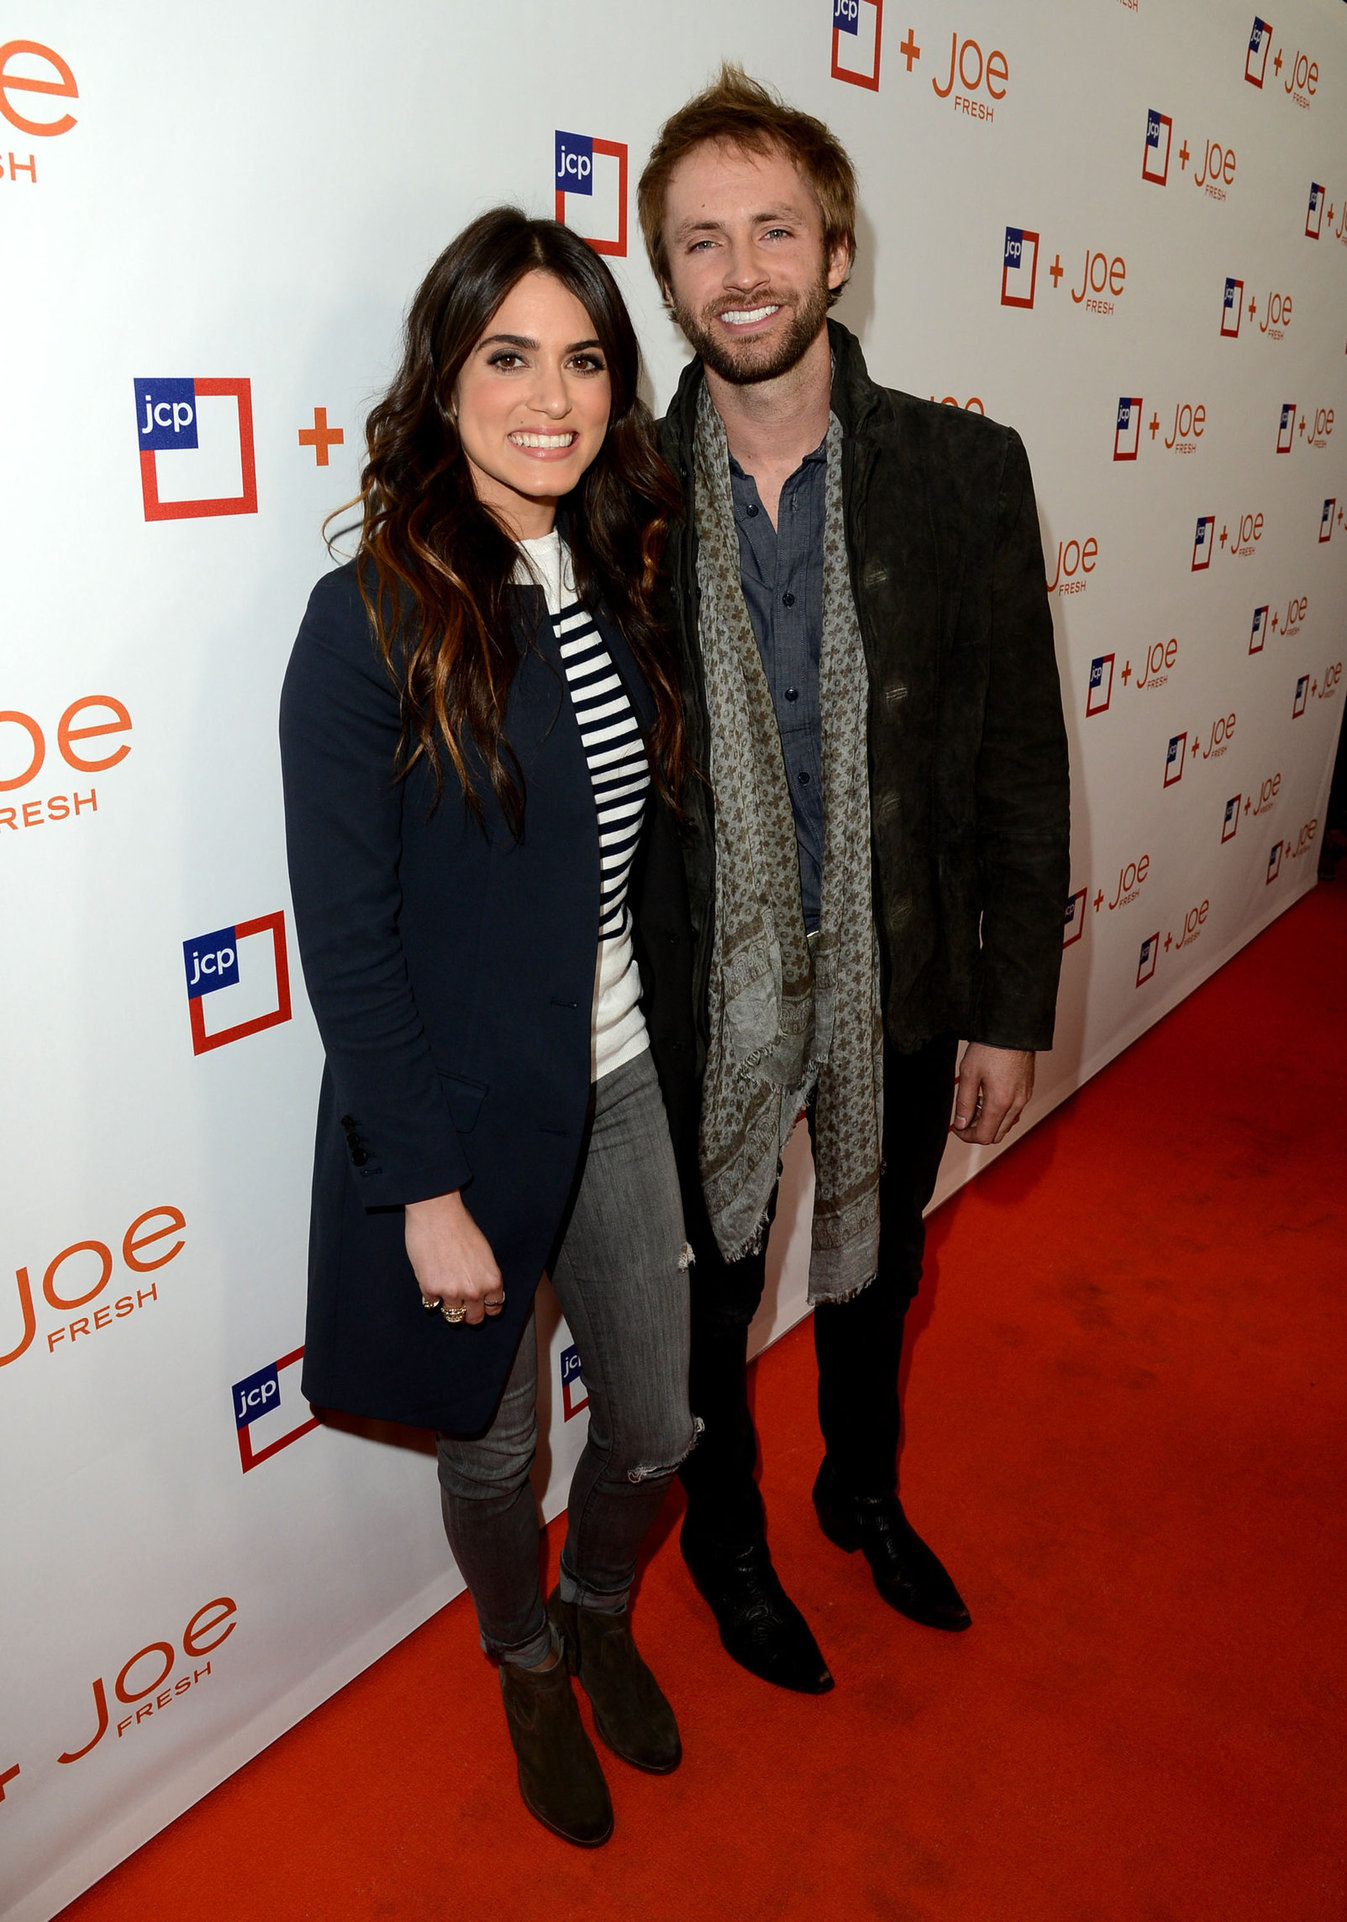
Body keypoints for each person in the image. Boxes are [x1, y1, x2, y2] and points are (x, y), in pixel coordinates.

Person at [634, 71, 1070, 1692]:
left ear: (835, 254)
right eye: (698, 242)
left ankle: (860, 1489)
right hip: (698, 996)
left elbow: (1022, 760)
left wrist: (1008, 1004)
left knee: (878, 1272)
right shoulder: (616, 497)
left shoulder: (968, 474)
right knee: (713, 1295)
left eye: (772, 233)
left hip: (901, 963)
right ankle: (728, 1535)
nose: (738, 271)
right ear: (665, 277)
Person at [279, 207, 698, 1847]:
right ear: (444, 381)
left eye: (585, 357)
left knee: (658, 1422)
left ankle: (598, 1601)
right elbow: (350, 940)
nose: (553, 394)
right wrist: (424, 1187)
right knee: (492, 1444)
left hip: (620, 1079)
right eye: (509, 354)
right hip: (466, 1124)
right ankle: (524, 1650)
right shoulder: (371, 613)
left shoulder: (614, 575)